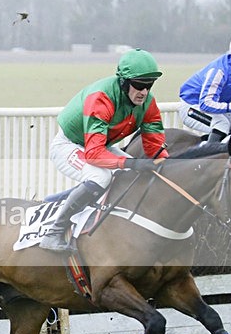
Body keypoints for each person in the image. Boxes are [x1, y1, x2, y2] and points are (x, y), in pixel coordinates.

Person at [39, 48, 169, 252]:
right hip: (69, 146)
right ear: (124, 82)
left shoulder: (147, 103)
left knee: (133, 175)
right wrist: (132, 162)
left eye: (149, 85)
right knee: (101, 177)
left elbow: (155, 145)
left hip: (100, 146)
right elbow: (93, 153)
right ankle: (53, 232)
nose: (144, 92)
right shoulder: (101, 99)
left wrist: (162, 163)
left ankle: (62, 200)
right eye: (139, 85)